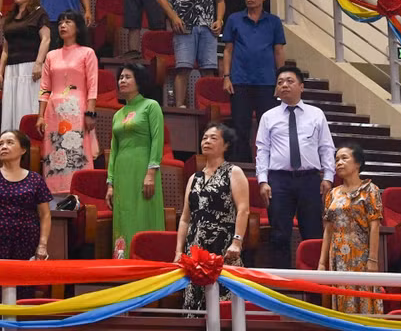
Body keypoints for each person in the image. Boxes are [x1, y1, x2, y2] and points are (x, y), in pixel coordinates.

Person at [256, 65, 336, 269]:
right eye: (280, 82)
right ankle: (282, 280)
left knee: (313, 232)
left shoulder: (316, 114)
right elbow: (262, 150)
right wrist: (263, 181)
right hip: (279, 180)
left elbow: (326, 147)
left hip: (309, 179)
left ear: (301, 86)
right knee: (279, 233)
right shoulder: (268, 116)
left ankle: (316, 280)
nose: (284, 85)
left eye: (290, 81)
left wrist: (328, 177)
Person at [0, 130, 53, 302]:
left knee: (22, 294)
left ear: (23, 150)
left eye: (9, 143)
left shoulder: (35, 180)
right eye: (0, 144)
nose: (4, 147)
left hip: (25, 245)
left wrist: (42, 245)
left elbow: (45, 215)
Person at [174, 123, 249, 313]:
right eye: (204, 138)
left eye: (213, 138)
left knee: (223, 307)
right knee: (194, 304)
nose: (206, 141)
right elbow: (185, 219)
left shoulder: (233, 172)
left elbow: (243, 210)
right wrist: (179, 251)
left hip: (222, 248)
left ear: (226, 145)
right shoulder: (194, 178)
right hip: (195, 251)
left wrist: (237, 242)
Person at [222, 0, 286, 162]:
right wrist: (226, 76)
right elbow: (228, 50)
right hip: (240, 81)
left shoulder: (274, 22)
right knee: (240, 127)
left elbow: (279, 51)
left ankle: (269, 163)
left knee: (269, 127)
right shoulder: (234, 19)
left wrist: (281, 80)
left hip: (267, 82)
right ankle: (242, 165)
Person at [36, 10, 99, 195]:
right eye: (60, 23)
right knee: (55, 153)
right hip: (53, 112)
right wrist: (40, 115)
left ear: (78, 28)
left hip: (77, 110)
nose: (63, 26)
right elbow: (44, 88)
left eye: (68, 22)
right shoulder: (51, 55)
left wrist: (90, 112)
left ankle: (79, 193)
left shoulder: (87, 53)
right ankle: (54, 194)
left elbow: (93, 85)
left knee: (76, 152)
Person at [106, 63, 165, 258]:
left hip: (143, 169)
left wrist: (151, 172)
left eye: (127, 77)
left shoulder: (151, 106)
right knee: (124, 213)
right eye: (120, 77)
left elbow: (157, 141)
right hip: (122, 172)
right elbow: (114, 150)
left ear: (139, 81)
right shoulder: (117, 114)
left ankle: (146, 259)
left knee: (142, 212)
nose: (122, 81)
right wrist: (110, 183)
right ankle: (123, 260)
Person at [318, 144, 383, 315]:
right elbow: (328, 230)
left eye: (344, 158)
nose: (339, 163)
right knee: (341, 298)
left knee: (363, 297)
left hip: (361, 254)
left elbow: (375, 225)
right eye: (337, 160)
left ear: (358, 163)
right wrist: (322, 263)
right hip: (338, 255)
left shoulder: (370, 190)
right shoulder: (332, 194)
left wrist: (373, 259)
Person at [0, 0, 51, 132]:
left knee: (27, 105)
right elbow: (5, 48)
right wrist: (0, 72)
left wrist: (39, 63)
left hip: (31, 67)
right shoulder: (10, 16)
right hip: (11, 69)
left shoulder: (39, 13)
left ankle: (28, 140)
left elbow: (46, 39)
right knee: (10, 108)